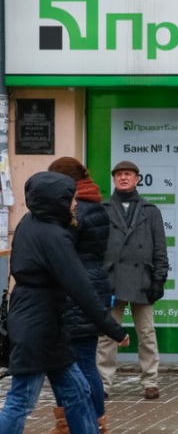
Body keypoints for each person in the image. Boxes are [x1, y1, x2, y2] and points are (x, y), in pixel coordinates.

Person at [0, 172, 129, 434]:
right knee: (22, 400)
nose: (75, 203)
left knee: (78, 392)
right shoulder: (53, 236)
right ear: (56, 201)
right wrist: (113, 329)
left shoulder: (30, 222)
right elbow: (81, 288)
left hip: (45, 325)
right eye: (71, 199)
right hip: (37, 328)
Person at [46, 157, 116, 433]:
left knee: (78, 362)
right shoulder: (95, 205)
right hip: (91, 287)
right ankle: (88, 423)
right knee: (82, 361)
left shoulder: (77, 211)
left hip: (76, 290)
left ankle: (86, 424)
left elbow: (62, 250)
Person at [96, 160, 169, 400]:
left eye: (128, 174)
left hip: (142, 279)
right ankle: (103, 383)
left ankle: (150, 381)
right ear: (114, 179)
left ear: (137, 179)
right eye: (119, 175)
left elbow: (160, 249)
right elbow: (96, 248)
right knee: (107, 335)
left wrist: (159, 279)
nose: (123, 178)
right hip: (112, 279)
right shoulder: (103, 209)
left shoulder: (151, 211)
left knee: (147, 334)